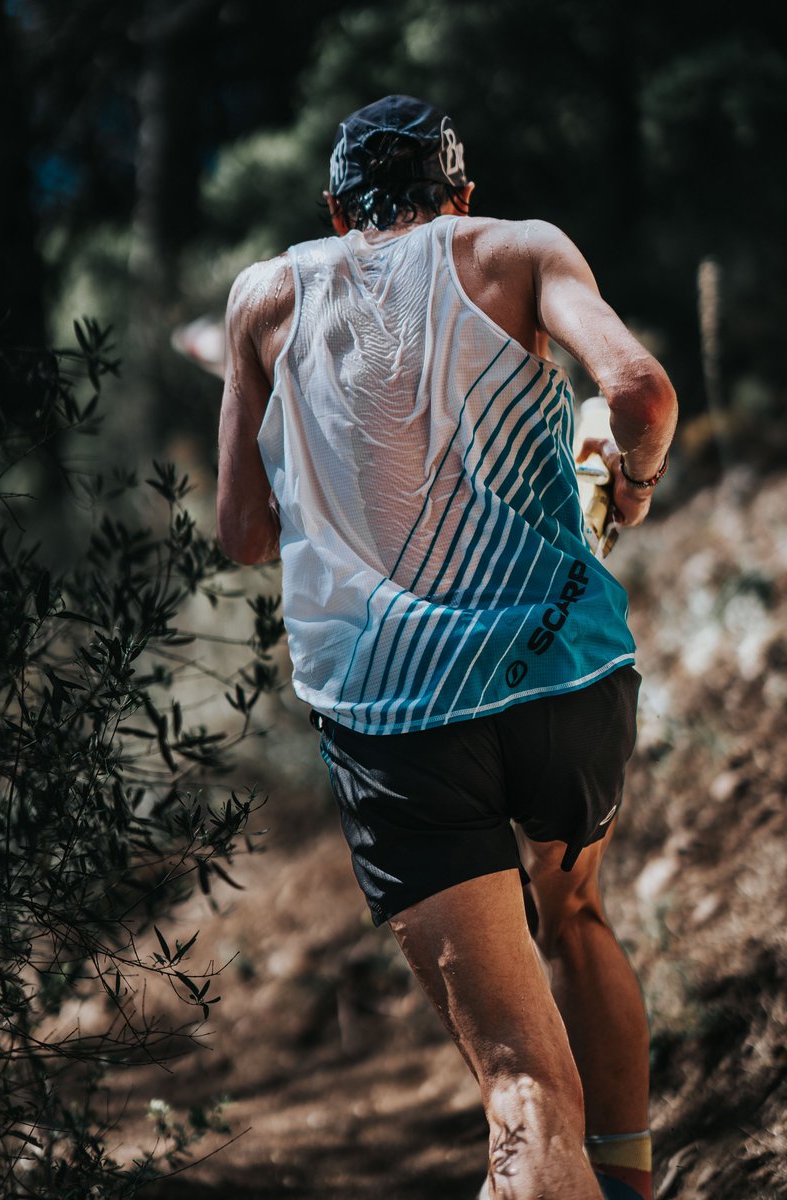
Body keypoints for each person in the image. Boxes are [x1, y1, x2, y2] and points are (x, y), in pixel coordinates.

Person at [216, 94, 677, 1200]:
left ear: (333, 208)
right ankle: (627, 1188)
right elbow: (638, 392)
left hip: (395, 721)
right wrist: (634, 479)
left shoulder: (264, 298)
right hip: (559, 681)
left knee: (522, 1092)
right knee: (574, 921)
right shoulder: (515, 250)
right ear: (459, 193)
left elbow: (241, 534)